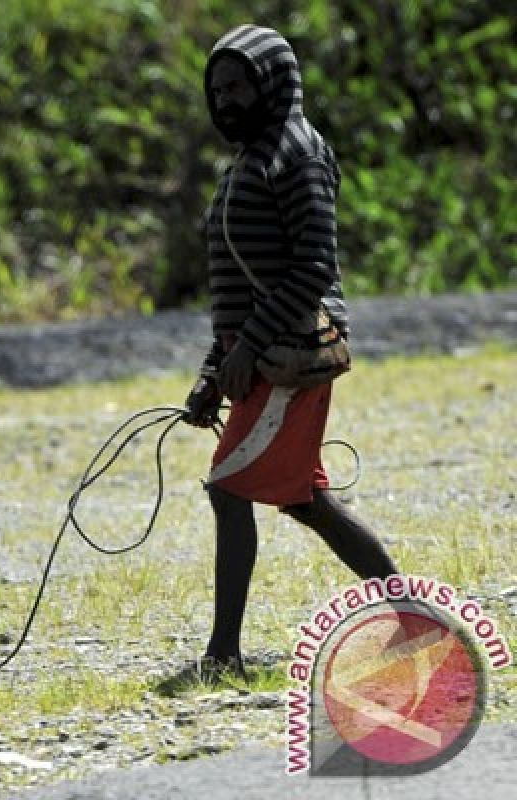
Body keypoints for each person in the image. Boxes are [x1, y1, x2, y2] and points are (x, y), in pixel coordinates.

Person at [176, 25, 399, 684]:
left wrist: (245, 348)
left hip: (287, 357)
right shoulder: (251, 158)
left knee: (227, 487)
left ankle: (223, 654)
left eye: (240, 83)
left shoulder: (297, 153)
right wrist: (213, 373)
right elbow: (237, 286)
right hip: (256, 356)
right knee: (306, 501)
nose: (227, 99)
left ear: (274, 80)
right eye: (218, 88)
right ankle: (413, 616)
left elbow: (313, 267)